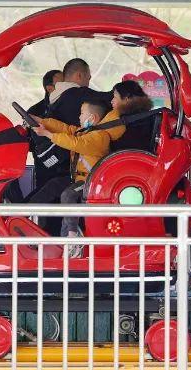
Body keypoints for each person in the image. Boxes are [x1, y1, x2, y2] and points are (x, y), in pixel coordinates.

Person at [29, 98, 124, 255]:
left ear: (92, 118)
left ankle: (73, 236)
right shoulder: (85, 131)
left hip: (90, 182)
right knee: (52, 186)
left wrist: (47, 134)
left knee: (68, 194)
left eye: (81, 113)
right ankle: (34, 226)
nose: (79, 117)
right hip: (78, 179)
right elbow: (66, 129)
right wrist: (41, 121)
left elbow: (75, 143)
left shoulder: (99, 137)